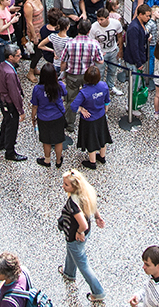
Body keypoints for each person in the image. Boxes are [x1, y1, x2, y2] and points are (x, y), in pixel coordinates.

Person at [57, 170, 106, 303]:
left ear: (74, 187)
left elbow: (82, 225)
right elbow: (93, 205)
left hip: (76, 235)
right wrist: (97, 217)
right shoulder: (85, 192)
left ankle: (98, 292)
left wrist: (79, 232)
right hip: (83, 233)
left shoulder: (73, 203)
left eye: (66, 185)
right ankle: (68, 273)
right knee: (71, 251)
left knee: (83, 264)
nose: (63, 186)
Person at [71, 66, 112, 169]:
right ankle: (102, 157)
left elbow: (73, 106)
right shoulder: (103, 85)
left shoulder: (84, 92)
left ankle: (92, 162)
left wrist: (81, 109)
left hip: (89, 119)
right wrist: (105, 109)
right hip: (101, 116)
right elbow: (107, 100)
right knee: (102, 136)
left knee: (91, 140)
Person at [30, 61, 66, 168]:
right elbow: (65, 93)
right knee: (59, 140)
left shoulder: (37, 89)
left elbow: (35, 105)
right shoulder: (59, 86)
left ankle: (47, 160)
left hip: (43, 117)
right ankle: (58, 161)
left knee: (46, 141)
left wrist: (33, 117)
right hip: (58, 116)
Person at [0, 44, 27, 161]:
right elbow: (14, 93)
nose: (20, 57)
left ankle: (1, 143)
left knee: (6, 122)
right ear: (10, 57)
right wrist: (21, 111)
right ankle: (10, 152)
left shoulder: (2, 66)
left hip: (3, 101)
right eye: (18, 55)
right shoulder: (10, 73)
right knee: (12, 127)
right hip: (10, 104)